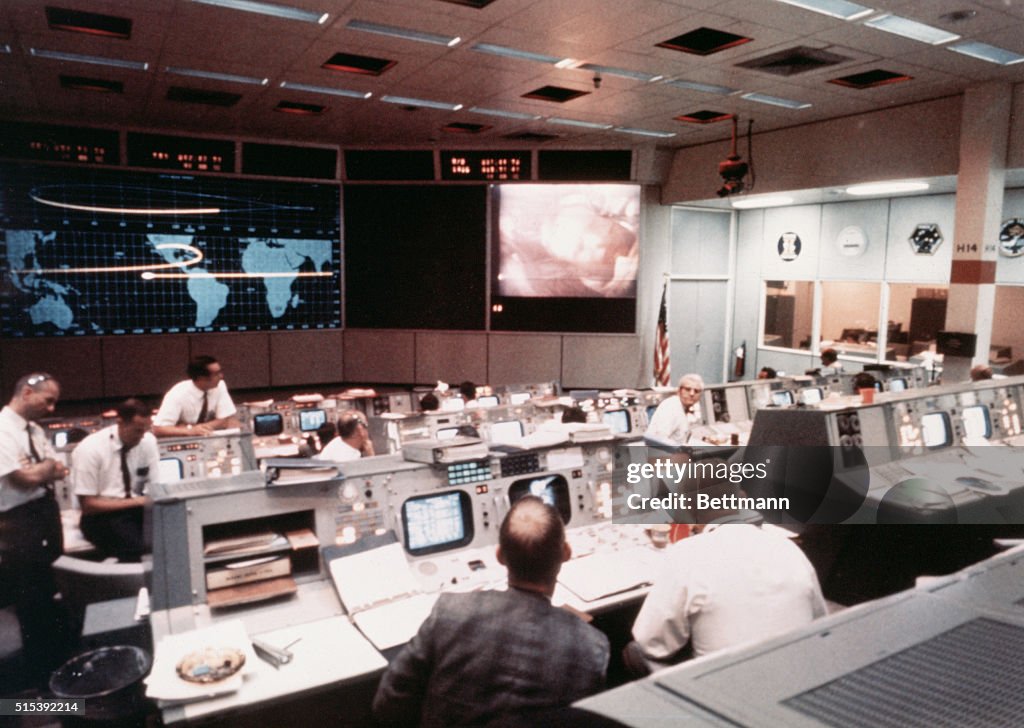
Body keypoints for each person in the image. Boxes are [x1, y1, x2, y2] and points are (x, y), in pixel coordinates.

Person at [373, 496, 609, 727]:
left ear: (499, 556)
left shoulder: (450, 612)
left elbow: (388, 704)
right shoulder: (592, 647)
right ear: (566, 553)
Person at [625, 523, 826, 675]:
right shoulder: (788, 548)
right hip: (796, 680)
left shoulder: (687, 552)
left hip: (722, 692)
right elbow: (821, 624)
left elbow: (651, 644)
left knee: (634, 651)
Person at [0, 373, 73, 684]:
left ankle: (60, 668)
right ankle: (41, 683)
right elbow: (22, 479)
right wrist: (42, 469)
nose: (52, 408)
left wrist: (38, 469)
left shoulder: (36, 431)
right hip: (19, 521)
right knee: (33, 600)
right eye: (48, 400)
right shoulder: (3, 429)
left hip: (45, 514)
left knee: (53, 591)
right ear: (27, 392)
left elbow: (59, 469)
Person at [71, 398, 159, 561]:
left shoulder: (147, 441)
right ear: (120, 422)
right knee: (134, 547)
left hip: (136, 510)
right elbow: (88, 506)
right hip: (101, 516)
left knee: (171, 538)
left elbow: (156, 485)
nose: (141, 437)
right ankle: (134, 585)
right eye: (137, 430)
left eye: (146, 430)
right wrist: (139, 501)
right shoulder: (90, 449)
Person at [152, 355, 240, 437]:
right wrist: (190, 431)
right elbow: (158, 429)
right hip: (185, 439)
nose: (221, 376)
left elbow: (225, 420)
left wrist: (194, 428)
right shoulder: (178, 394)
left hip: (210, 436)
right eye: (216, 374)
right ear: (202, 378)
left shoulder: (220, 385)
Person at [645, 373, 704, 444]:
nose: (692, 394)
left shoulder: (683, 408)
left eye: (696, 391)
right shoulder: (671, 407)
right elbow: (658, 440)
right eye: (688, 389)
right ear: (679, 391)